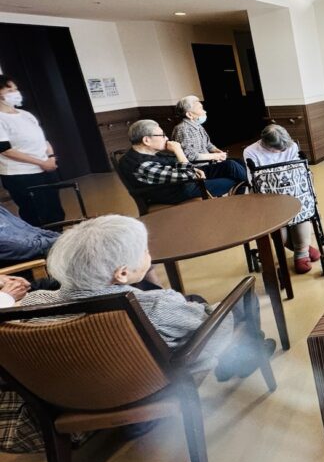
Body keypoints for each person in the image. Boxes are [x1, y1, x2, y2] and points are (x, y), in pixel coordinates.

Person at [19, 215, 275, 379]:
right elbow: (205, 323)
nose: (148, 254)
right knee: (241, 298)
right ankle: (241, 358)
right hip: (150, 381)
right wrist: (172, 297)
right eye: (143, 251)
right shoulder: (155, 306)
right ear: (122, 273)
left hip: (87, 385)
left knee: (193, 298)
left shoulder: (32, 304)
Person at [243, 124, 320, 274]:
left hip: (294, 192)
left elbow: (299, 173)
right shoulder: (251, 152)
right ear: (265, 143)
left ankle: (301, 253)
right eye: (277, 149)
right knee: (281, 232)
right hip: (269, 196)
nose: (281, 151)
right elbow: (252, 180)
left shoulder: (291, 146)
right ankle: (303, 248)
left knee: (301, 215)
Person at [120, 119, 244, 204]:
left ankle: (248, 193)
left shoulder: (147, 153)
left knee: (231, 165)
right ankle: (246, 198)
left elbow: (180, 167)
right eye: (162, 135)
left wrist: (193, 169)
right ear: (146, 140)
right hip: (180, 190)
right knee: (235, 179)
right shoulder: (142, 165)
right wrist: (178, 150)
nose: (166, 138)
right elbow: (189, 175)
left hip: (184, 179)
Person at [0, 75, 64, 227]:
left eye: (16, 89)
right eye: (10, 90)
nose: (16, 93)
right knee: (36, 213)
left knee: (55, 210)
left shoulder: (26, 115)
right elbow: (6, 150)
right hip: (21, 174)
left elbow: (43, 140)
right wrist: (41, 163)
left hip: (45, 169)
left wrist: (51, 157)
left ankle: (58, 236)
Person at [0, 204, 60, 269]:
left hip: (42, 251)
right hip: (32, 265)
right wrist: (58, 240)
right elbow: (18, 247)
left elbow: (31, 229)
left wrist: (59, 236)